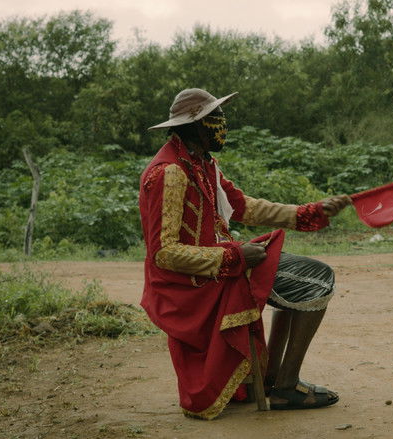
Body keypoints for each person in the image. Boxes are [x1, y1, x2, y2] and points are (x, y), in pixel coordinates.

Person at [139, 88, 352, 419]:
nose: (223, 124)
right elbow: (164, 254)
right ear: (195, 126)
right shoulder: (171, 172)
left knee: (308, 280)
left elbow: (244, 206)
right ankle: (285, 385)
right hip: (194, 284)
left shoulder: (200, 163)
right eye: (215, 119)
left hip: (218, 266)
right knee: (318, 278)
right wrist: (232, 258)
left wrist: (310, 211)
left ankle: (274, 379)